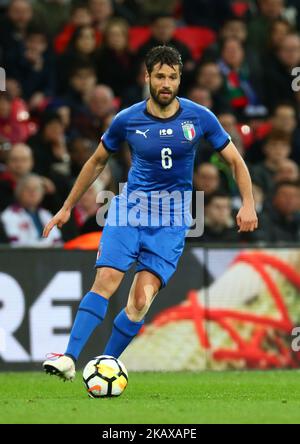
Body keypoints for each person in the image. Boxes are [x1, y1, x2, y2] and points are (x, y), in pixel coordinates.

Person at [42, 46, 258, 380]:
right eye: (160, 76)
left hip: (171, 221)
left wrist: (247, 203)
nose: (166, 83)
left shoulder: (199, 117)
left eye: (172, 77)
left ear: (180, 78)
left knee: (140, 300)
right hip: (130, 211)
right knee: (107, 279)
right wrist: (67, 207)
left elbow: (235, 160)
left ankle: (105, 365)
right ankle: (69, 358)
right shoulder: (127, 119)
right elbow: (96, 161)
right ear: (147, 77)